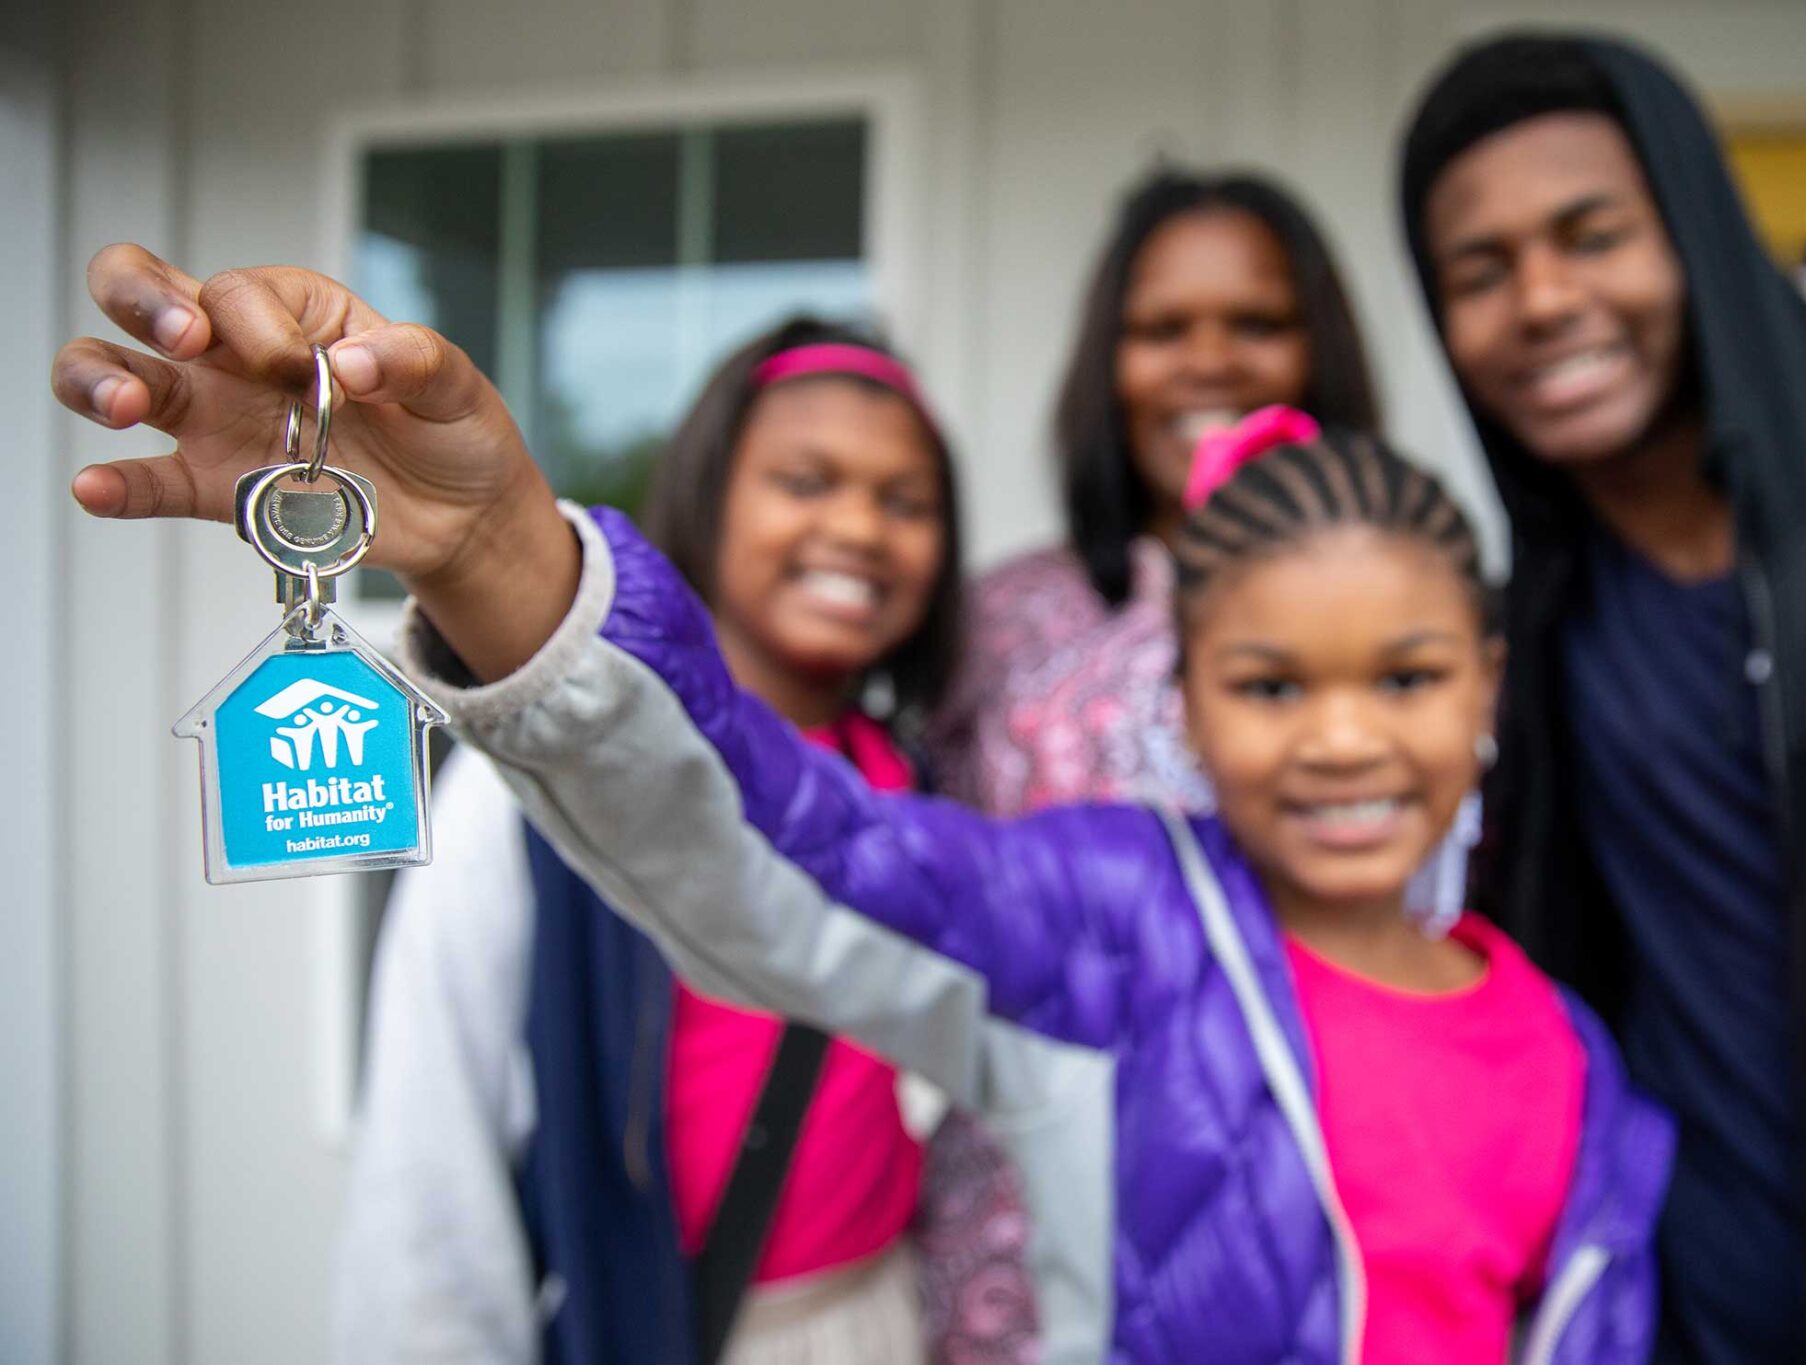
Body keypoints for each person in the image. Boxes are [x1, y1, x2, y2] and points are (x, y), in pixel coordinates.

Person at [53, 270, 1671, 1361]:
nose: (1338, 740)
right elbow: (779, 850)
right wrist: (493, 562)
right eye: (1265, 685)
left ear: (1490, 687)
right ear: (1174, 708)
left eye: (1401, 678)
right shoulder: (1109, 927)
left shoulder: (1582, 1071)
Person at [1398, 31, 1806, 1364]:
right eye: (1481, 271)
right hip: (1687, 1322)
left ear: (1696, 233)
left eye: (1594, 234)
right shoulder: (1528, 643)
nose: (1541, 299)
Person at [330, 318, 1032, 1365]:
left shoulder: (917, 779)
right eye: (804, 482)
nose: (858, 528)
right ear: (709, 499)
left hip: (879, 1319)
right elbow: (430, 1146)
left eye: (905, 502)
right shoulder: (524, 791)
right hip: (657, 1327)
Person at [929, 169, 1379, 814]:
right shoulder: (998, 621)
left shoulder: (1413, 597)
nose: (1210, 362)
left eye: (1257, 324)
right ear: (1107, 363)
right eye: (1163, 330)